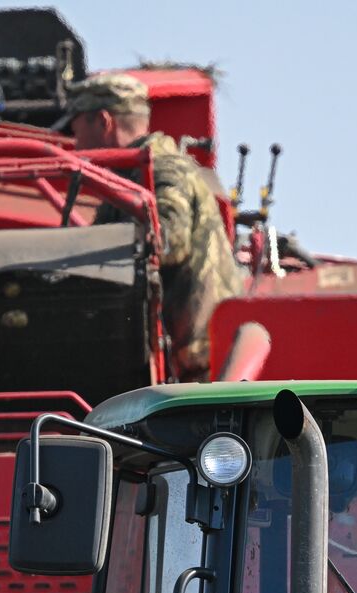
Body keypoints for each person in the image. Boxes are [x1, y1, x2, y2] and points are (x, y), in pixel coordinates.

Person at [59, 72, 244, 382]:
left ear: (104, 122)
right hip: (184, 364)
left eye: (77, 132)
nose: (76, 145)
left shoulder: (161, 167)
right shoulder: (132, 177)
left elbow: (171, 238)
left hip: (197, 367)